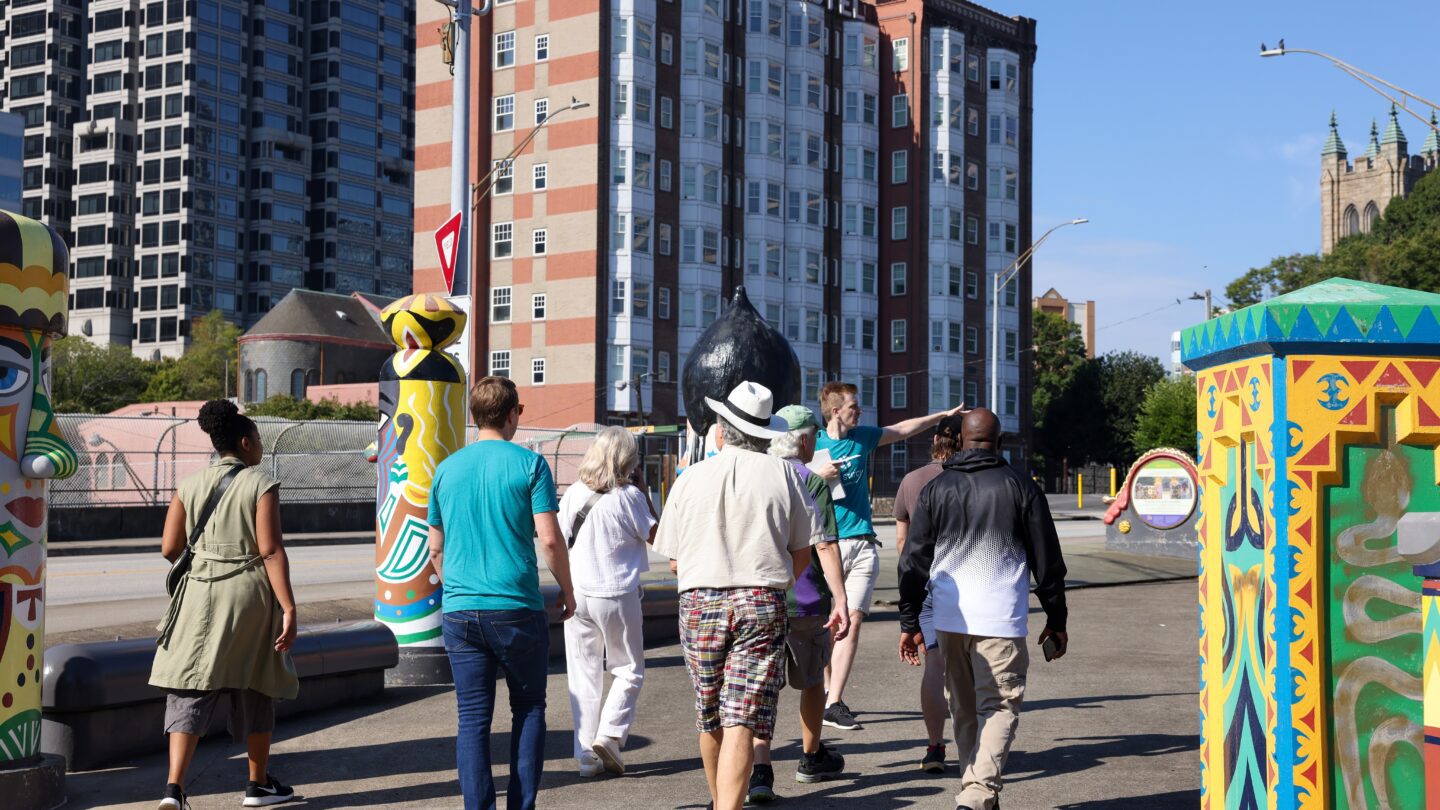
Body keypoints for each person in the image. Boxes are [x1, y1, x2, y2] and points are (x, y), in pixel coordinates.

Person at [653, 382, 822, 810]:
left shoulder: (689, 478)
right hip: (761, 598)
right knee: (742, 718)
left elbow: (673, 560)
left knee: (709, 713)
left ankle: (718, 802)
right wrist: (778, 582)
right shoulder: (785, 474)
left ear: (722, 431)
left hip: (699, 600)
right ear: (765, 433)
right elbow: (802, 552)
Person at [897, 408, 1069, 810]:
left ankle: (976, 795)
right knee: (1001, 705)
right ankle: (976, 794)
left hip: (949, 619)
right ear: (1000, 441)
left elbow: (913, 561)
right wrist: (1056, 619)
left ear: (960, 441)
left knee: (965, 708)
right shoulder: (1021, 486)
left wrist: (909, 621)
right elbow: (1048, 563)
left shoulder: (936, 490)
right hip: (1001, 620)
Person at [427, 376, 577, 810]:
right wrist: (567, 589)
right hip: (516, 609)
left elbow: (434, 547)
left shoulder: (446, 468)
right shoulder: (530, 465)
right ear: (513, 414)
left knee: (472, 719)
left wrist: (456, 585)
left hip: (460, 611)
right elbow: (549, 539)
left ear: (475, 417)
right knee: (529, 708)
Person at [150, 400, 300, 809]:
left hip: (198, 595)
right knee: (256, 684)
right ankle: (257, 785)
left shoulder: (190, 483)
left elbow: (169, 548)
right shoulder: (260, 482)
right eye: (259, 442)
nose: (262, 449)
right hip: (249, 595)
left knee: (189, 687)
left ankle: (174, 790)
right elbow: (270, 551)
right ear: (245, 442)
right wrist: (288, 607)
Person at [815, 381, 966, 731]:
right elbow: (790, 483)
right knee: (826, 626)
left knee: (851, 622)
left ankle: (834, 702)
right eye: (854, 405)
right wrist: (816, 476)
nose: (860, 410)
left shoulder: (863, 437)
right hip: (825, 544)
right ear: (835, 410)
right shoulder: (812, 443)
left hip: (862, 543)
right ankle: (826, 688)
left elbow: (901, 429)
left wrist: (941, 416)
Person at [747, 405, 852, 803]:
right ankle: (810, 757)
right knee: (810, 682)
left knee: (761, 688)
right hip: (805, 598)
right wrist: (840, 597)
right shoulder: (812, 481)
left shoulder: (759, 476)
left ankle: (761, 770)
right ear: (806, 439)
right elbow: (823, 543)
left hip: (760, 596)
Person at [559, 427, 658, 778]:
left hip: (577, 593)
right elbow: (655, 536)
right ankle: (610, 735)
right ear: (627, 460)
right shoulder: (629, 496)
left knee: (583, 674)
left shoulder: (573, 493)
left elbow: (560, 536)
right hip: (615, 592)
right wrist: (645, 493)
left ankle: (587, 756)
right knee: (628, 669)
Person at [892, 411, 967, 774]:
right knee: (973, 666)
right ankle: (976, 745)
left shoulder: (912, 481)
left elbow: (904, 546)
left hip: (927, 586)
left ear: (935, 442)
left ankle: (935, 747)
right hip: (970, 583)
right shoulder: (975, 479)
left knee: (935, 662)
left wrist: (908, 611)